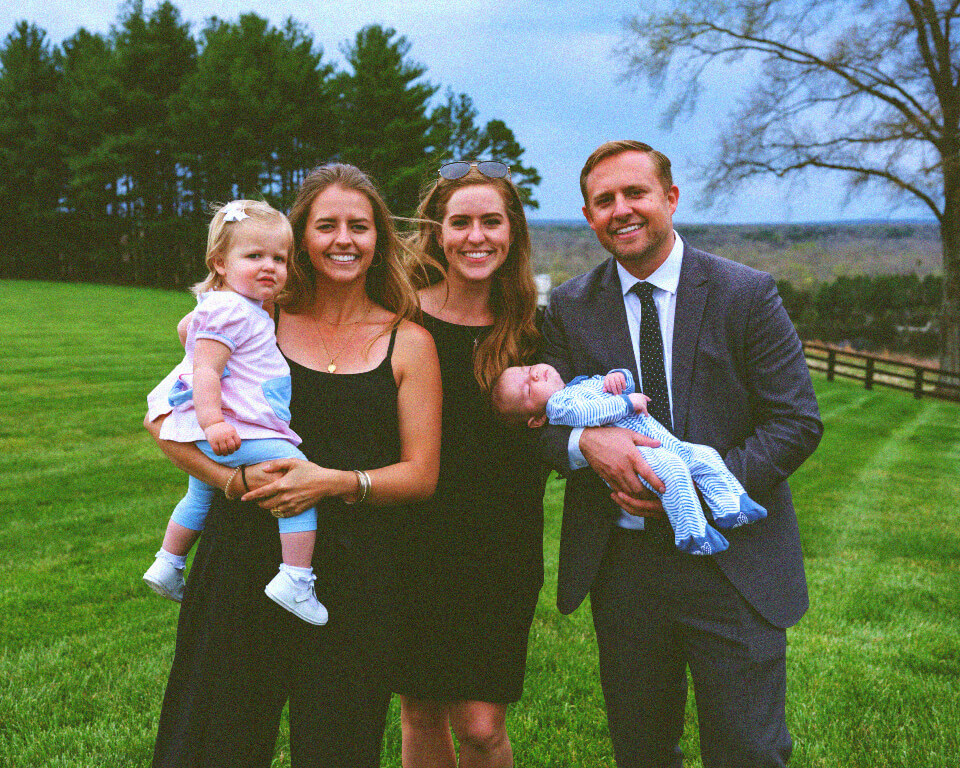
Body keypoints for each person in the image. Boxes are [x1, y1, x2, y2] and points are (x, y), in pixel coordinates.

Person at [146, 163, 442, 768]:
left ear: (379, 239)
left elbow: (420, 475)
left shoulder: (408, 341)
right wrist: (233, 478)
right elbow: (165, 423)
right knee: (211, 743)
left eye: (359, 226)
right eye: (326, 225)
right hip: (239, 563)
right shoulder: (253, 320)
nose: (343, 239)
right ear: (300, 237)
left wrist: (334, 482)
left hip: (354, 581)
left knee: (339, 748)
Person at [539, 141, 823, 768]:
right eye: (603, 200)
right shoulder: (569, 307)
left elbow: (796, 421)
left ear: (669, 197)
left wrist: (692, 493)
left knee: (747, 751)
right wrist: (586, 443)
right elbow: (538, 423)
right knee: (641, 752)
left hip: (734, 563)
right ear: (588, 216)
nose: (621, 210)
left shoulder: (745, 293)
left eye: (635, 193)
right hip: (625, 569)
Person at [393, 160, 545, 768]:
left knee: (481, 726)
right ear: (437, 231)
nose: (476, 236)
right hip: (410, 538)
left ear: (513, 233)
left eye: (492, 221)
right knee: (421, 710)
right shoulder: (399, 317)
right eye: (461, 222)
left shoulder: (534, 329)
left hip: (500, 548)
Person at [143, 199, 326, 625]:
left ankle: (168, 563)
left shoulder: (230, 306)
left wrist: (198, 336)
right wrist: (214, 421)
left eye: (279, 258)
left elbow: (186, 330)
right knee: (294, 472)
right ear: (220, 263)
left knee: (200, 493)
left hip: (223, 423)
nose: (269, 267)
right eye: (254, 256)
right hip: (229, 427)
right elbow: (206, 369)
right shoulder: (231, 309)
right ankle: (295, 578)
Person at [492, 363, 767, 555]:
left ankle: (730, 505)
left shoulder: (582, 382)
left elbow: (617, 384)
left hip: (659, 438)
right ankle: (691, 534)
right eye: (528, 389)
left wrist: (618, 377)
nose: (534, 377)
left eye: (527, 370)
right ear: (538, 420)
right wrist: (626, 402)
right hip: (638, 452)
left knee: (704, 455)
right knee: (672, 472)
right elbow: (590, 414)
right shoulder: (559, 406)